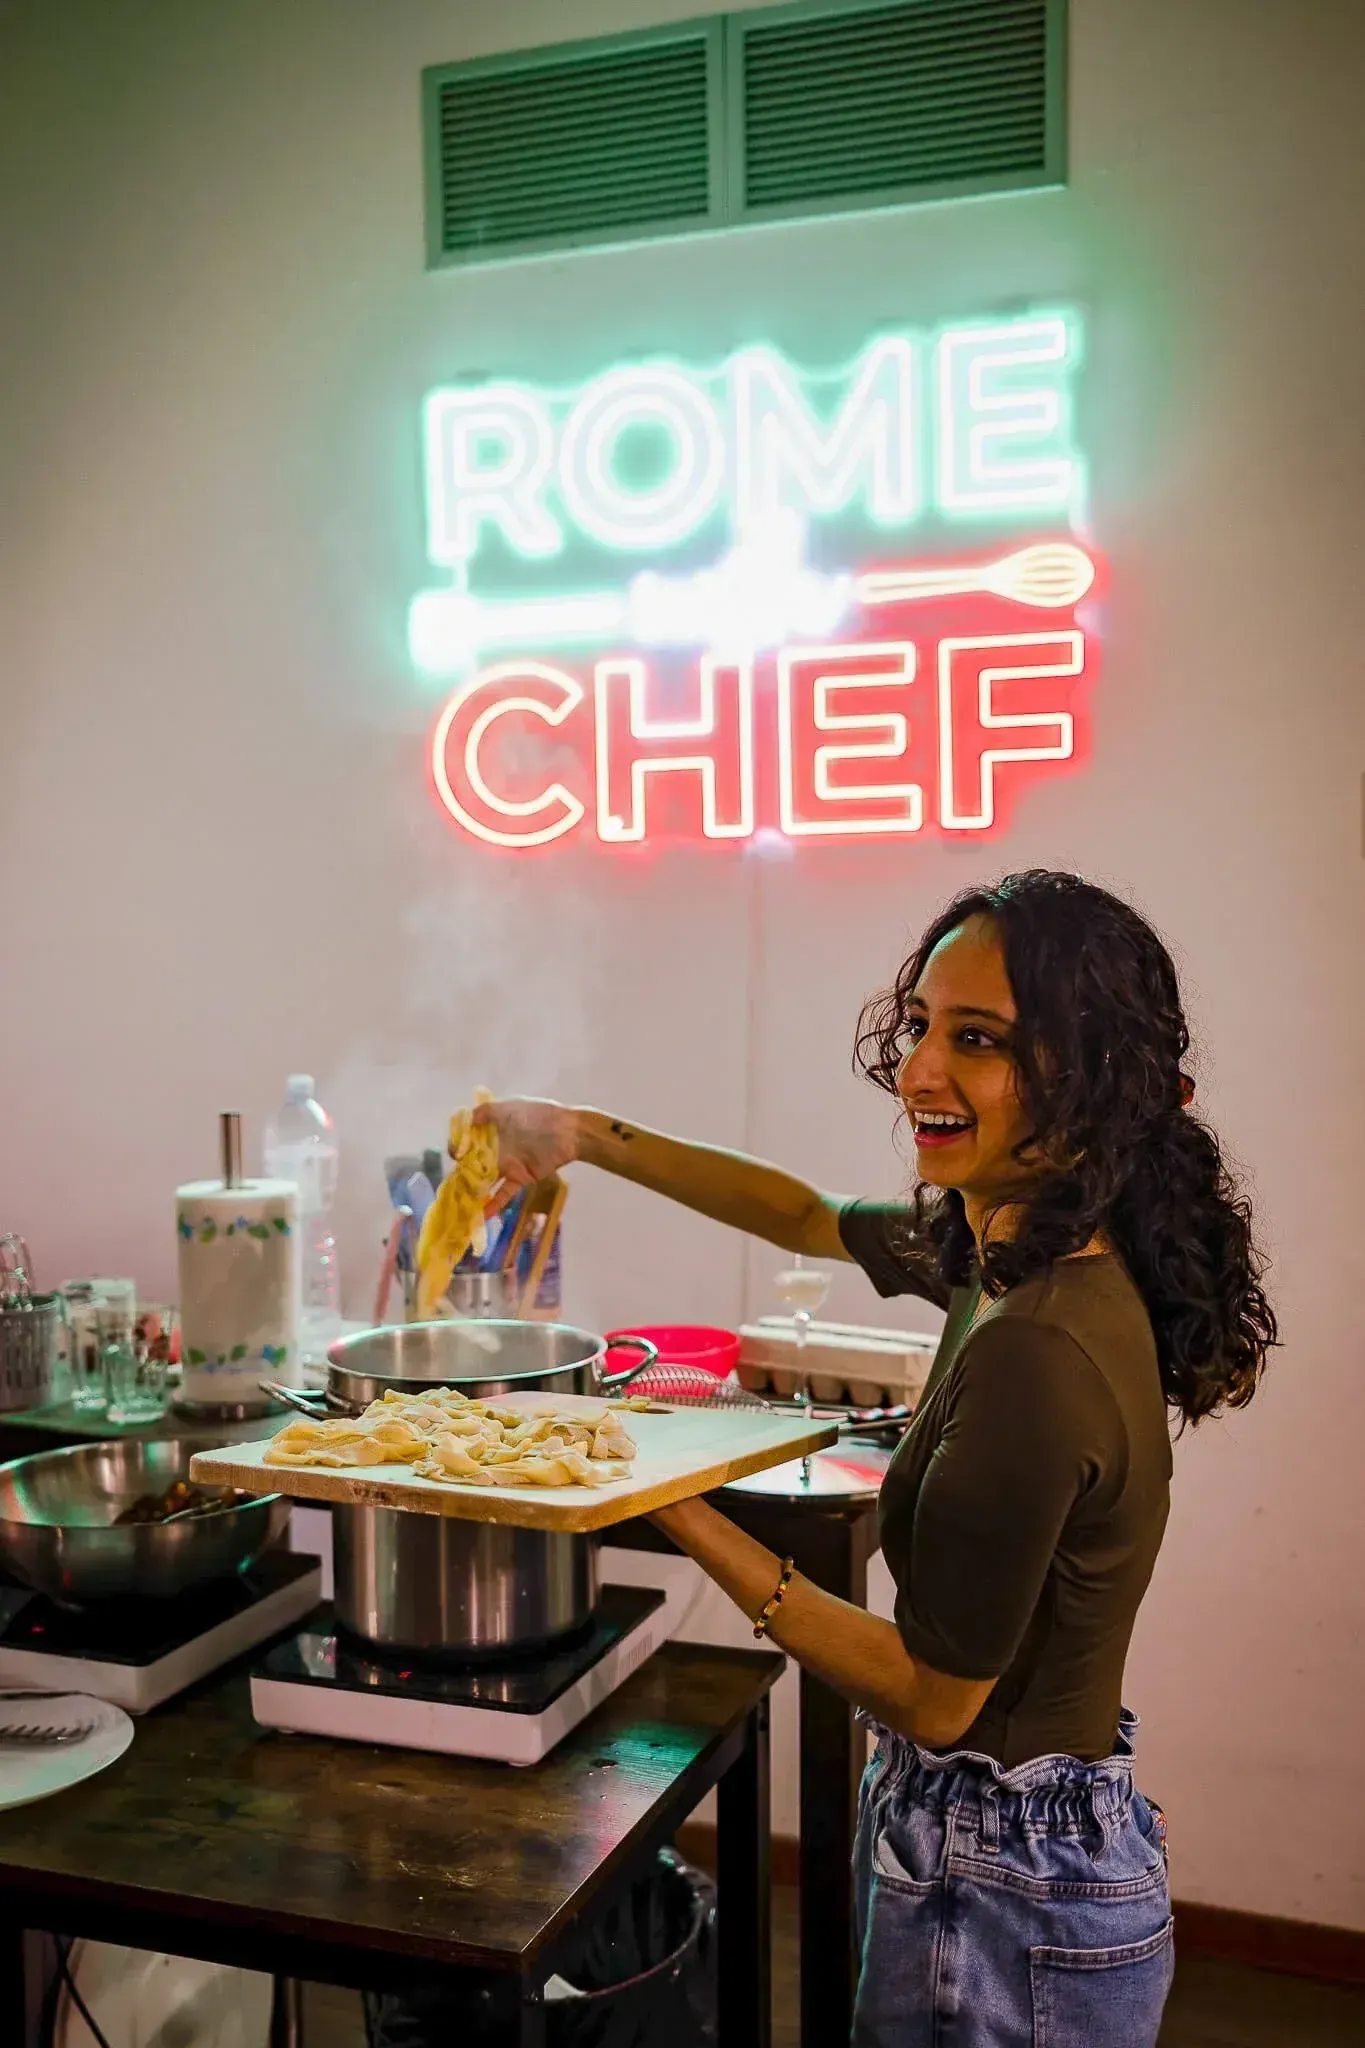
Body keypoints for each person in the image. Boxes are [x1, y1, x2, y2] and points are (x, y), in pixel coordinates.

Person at [476, 869, 1277, 2048]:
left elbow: (932, 1694)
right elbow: (803, 1214)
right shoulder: (1010, 1248)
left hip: (1004, 1889)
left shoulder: (1038, 1342)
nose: (919, 1070)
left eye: (978, 1039)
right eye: (920, 1025)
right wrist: (582, 1136)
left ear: (1093, 1080)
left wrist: (658, 1493)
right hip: (998, 1847)